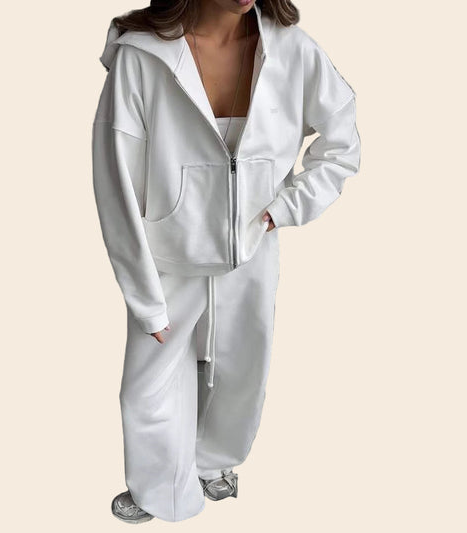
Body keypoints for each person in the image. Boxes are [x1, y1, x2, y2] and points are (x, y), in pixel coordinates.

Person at [92, 0, 361, 524]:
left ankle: (213, 463)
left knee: (242, 369)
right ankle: (159, 490)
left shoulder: (292, 51)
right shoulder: (141, 56)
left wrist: (283, 209)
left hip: (252, 248)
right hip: (167, 251)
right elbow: (114, 180)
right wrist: (142, 294)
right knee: (150, 382)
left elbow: (341, 143)